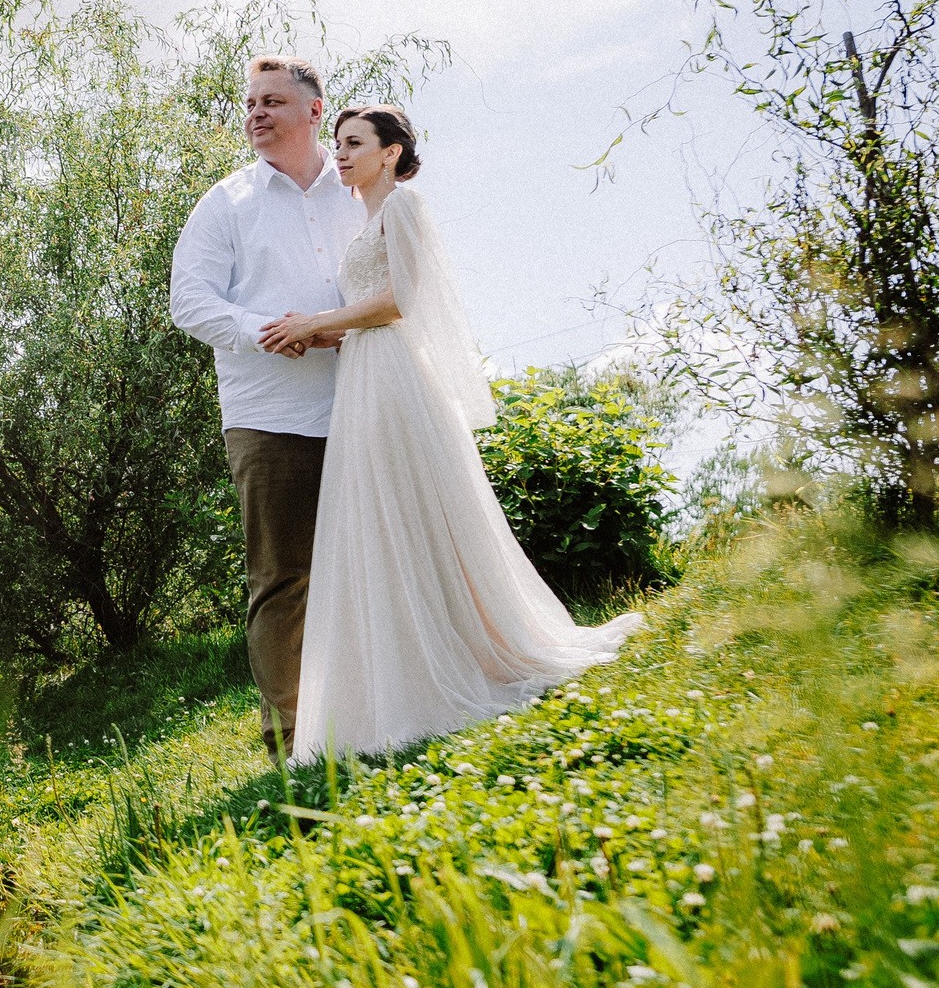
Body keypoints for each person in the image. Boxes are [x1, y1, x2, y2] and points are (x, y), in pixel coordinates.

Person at [261, 104, 641, 763]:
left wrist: (318, 319)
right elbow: (369, 306)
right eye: (340, 144)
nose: (341, 155)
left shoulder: (405, 208)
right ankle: (407, 664)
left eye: (355, 143)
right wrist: (322, 332)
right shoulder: (366, 223)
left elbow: (404, 299)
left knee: (419, 511)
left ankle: (471, 655)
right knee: (386, 520)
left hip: (398, 376)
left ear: (390, 152)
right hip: (363, 377)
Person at [169, 55, 362, 758]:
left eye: (272, 101)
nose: (255, 113)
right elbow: (188, 301)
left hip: (366, 400)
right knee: (282, 578)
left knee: (370, 557)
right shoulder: (225, 202)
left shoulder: (357, 189)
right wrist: (267, 331)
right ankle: (291, 738)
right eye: (250, 102)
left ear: (315, 111)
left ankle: (368, 710)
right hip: (268, 415)